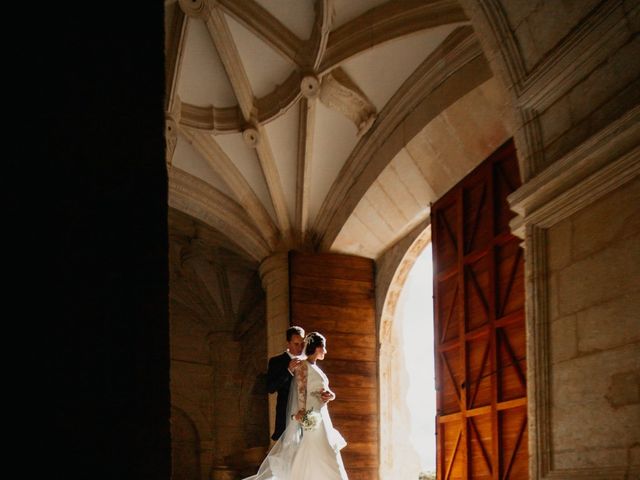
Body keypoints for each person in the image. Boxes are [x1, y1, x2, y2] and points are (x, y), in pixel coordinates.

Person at [244, 332, 348, 480]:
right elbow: (301, 391)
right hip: (312, 417)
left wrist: (330, 395)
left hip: (322, 414)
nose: (325, 351)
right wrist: (302, 414)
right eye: (323, 347)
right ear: (317, 348)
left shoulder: (317, 368)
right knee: (322, 449)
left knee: (321, 450)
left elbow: (324, 389)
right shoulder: (303, 366)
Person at [267, 326, 305, 441]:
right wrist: (288, 370)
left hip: (305, 415)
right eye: (296, 344)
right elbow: (271, 387)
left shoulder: (308, 362)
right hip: (286, 415)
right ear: (288, 343)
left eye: (302, 344)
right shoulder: (276, 361)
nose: (300, 348)